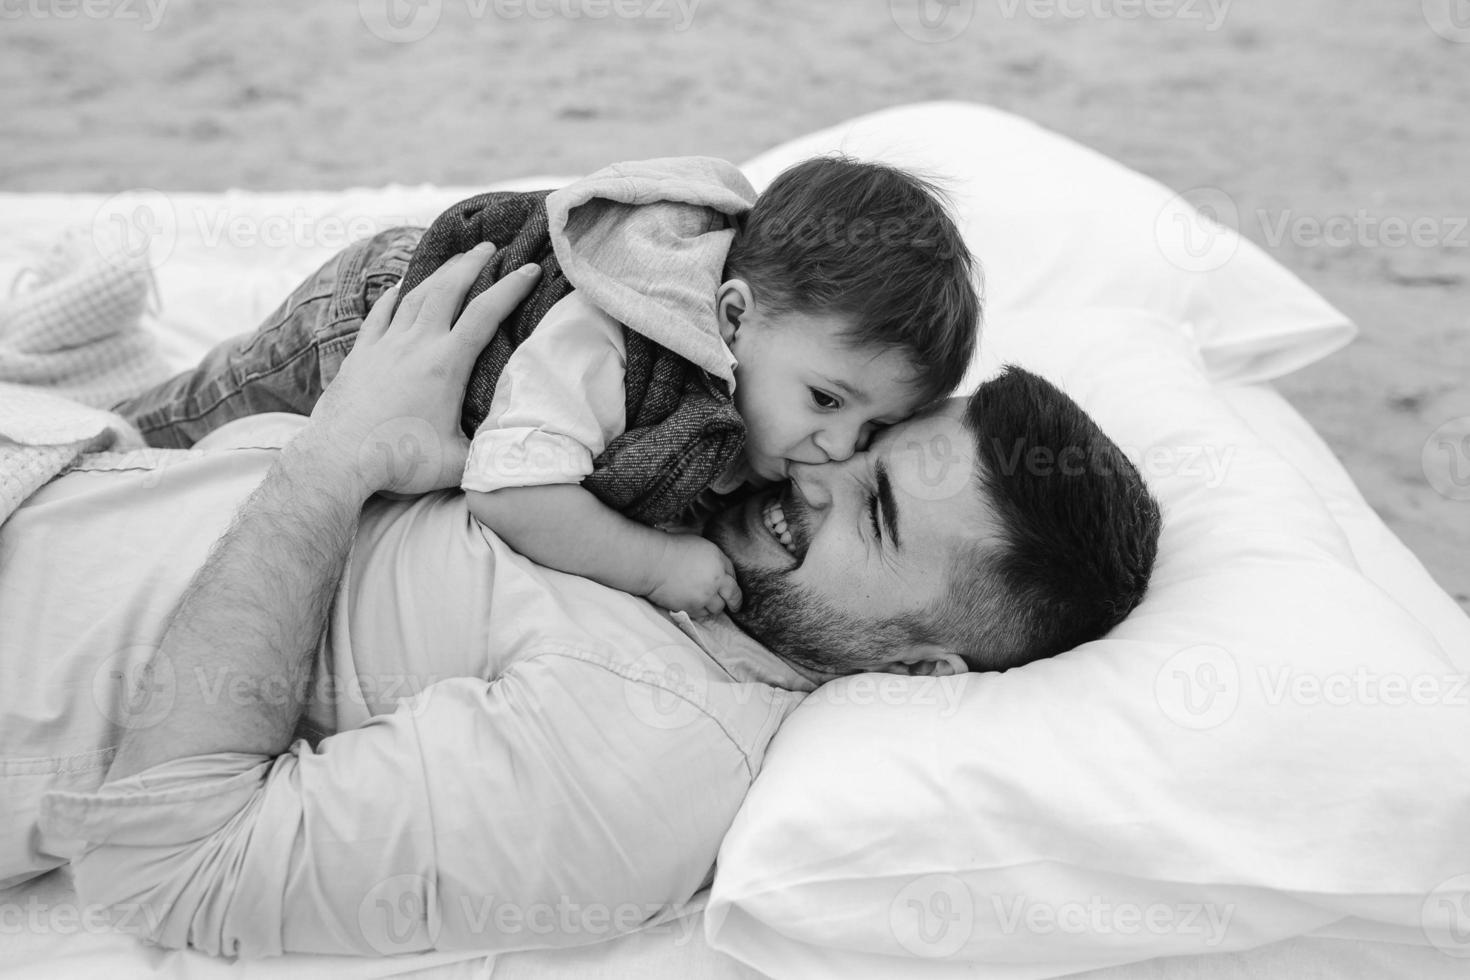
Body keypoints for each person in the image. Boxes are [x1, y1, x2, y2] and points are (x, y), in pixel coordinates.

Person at [0, 248, 1159, 957]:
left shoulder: (646, 748)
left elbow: (164, 865)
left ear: (925, 669)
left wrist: (335, 456)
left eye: (878, 509)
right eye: (863, 435)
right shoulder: (686, 492)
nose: (812, 464)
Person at [112, 155, 981, 618]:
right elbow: (513, 490)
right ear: (729, 316)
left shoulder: (767, 390)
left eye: (872, 430)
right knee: (195, 420)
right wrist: (654, 565)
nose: (834, 450)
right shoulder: (617, 340)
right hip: (381, 319)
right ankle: (103, 420)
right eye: (827, 401)